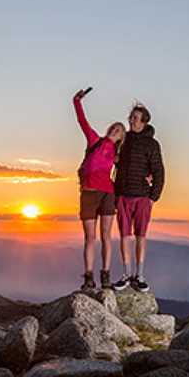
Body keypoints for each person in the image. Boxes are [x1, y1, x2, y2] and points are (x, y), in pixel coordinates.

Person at [73, 88, 125, 290]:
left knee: (106, 236)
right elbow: (82, 121)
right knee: (90, 237)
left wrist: (148, 176)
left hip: (108, 194)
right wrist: (77, 100)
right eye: (114, 127)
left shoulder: (118, 154)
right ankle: (88, 277)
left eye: (119, 130)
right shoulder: (94, 140)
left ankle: (105, 275)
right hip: (89, 192)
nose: (115, 129)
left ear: (121, 137)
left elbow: (132, 167)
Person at [112, 102, 164, 292]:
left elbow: (158, 171)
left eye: (134, 118)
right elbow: (116, 164)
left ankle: (139, 276)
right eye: (130, 117)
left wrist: (153, 197)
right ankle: (126, 275)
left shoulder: (152, 144)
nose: (131, 120)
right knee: (125, 236)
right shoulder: (123, 141)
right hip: (123, 196)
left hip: (142, 196)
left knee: (140, 236)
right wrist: (116, 195)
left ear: (144, 121)